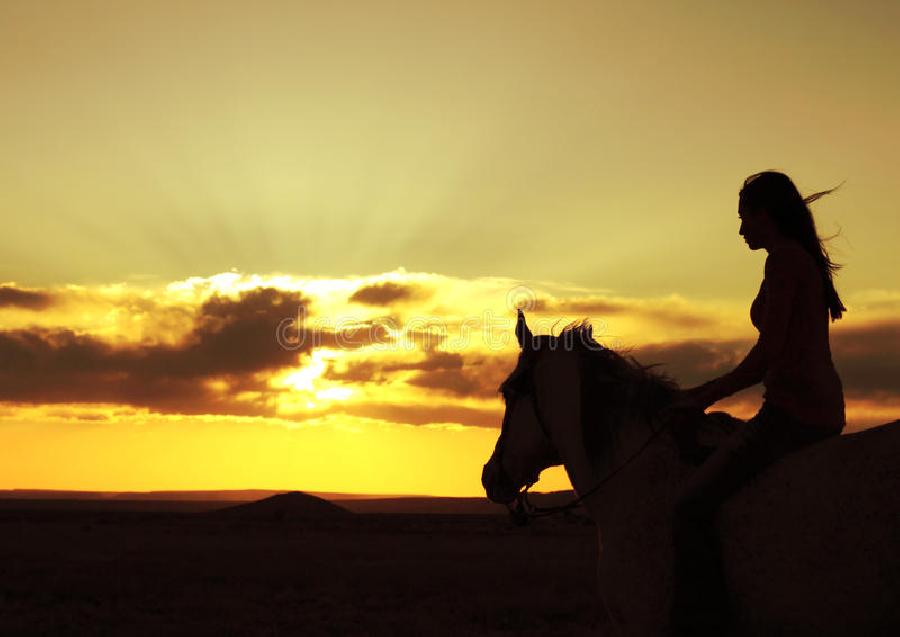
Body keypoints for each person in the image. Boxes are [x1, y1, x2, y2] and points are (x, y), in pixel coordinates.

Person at [664, 171, 847, 636]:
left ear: (766, 215)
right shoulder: (798, 259)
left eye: (745, 217)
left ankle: (708, 622)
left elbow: (767, 356)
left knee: (686, 508)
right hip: (813, 407)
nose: (741, 228)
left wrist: (702, 396)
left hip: (792, 415)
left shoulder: (784, 261)